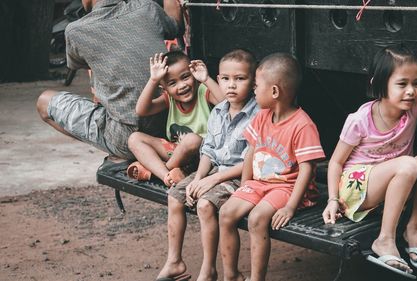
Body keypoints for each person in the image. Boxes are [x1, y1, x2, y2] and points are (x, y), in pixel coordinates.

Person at [321, 10, 417, 278]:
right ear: (380, 85)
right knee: (407, 164)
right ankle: (384, 239)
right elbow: (336, 161)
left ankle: (412, 230)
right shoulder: (360, 119)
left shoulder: (413, 110)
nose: (411, 91)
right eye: (402, 84)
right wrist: (332, 200)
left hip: (394, 184)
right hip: (356, 188)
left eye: (416, 84)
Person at [219, 53, 325, 281]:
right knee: (226, 213)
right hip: (260, 183)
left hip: (287, 187)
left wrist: (290, 207)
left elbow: (306, 170)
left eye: (257, 86)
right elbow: (251, 153)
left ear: (275, 92)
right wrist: (246, 185)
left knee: (257, 219)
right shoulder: (262, 117)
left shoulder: (302, 124)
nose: (254, 91)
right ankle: (231, 276)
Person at [155, 49, 259, 281]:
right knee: (175, 196)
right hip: (213, 171)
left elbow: (250, 162)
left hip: (237, 176)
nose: (231, 85)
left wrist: (212, 180)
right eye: (225, 79)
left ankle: (208, 270)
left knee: (204, 205)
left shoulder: (257, 115)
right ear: (218, 79)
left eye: (240, 79)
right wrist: (201, 177)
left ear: (254, 83)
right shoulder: (219, 111)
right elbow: (209, 151)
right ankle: (174, 262)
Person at [36, 0, 184, 160]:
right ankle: (150, 150)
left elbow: (78, 63)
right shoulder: (147, 8)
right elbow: (176, 25)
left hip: (124, 137)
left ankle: (128, 153)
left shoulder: (75, 31)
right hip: (169, 126)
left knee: (44, 103)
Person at [127, 50, 225, 187]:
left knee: (191, 139)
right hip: (176, 153)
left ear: (194, 74)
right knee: (134, 138)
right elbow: (142, 110)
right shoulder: (170, 99)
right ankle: (166, 176)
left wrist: (206, 79)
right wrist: (153, 80)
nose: (182, 85)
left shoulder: (203, 91)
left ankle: (154, 170)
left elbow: (226, 103)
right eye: (172, 83)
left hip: (203, 156)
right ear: (165, 89)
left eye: (185, 77)